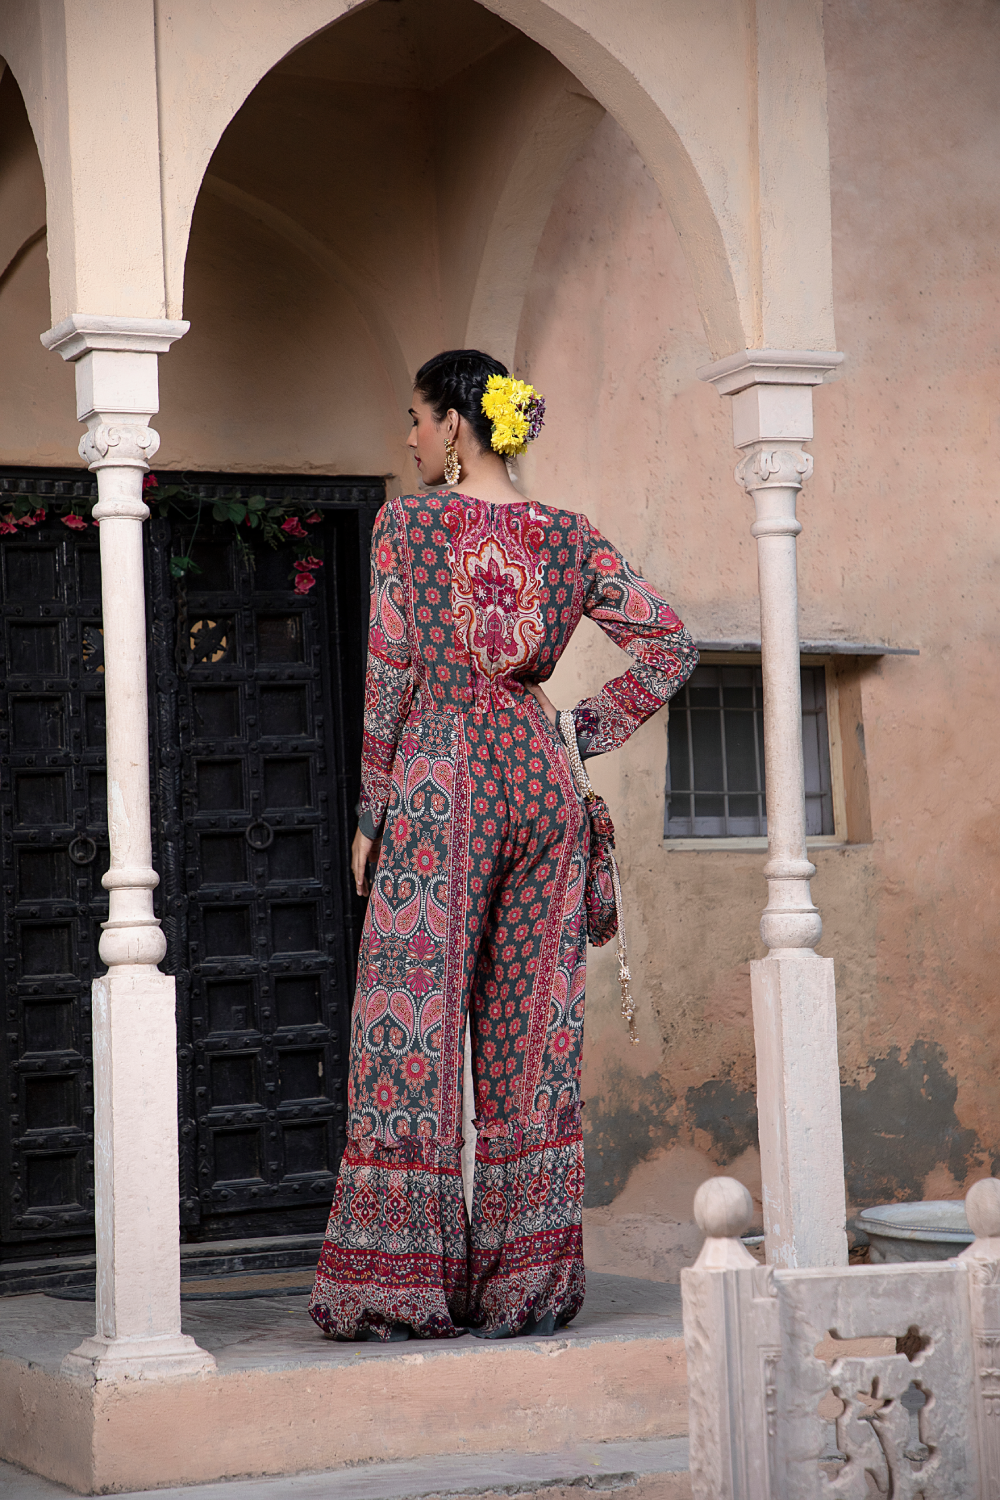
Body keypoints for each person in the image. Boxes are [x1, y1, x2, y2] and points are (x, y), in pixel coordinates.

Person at [309, 350, 696, 1341]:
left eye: (414, 418)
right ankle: (528, 1286)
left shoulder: (408, 524)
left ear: (454, 425)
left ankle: (402, 1286)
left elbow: (390, 672)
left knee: (413, 1031)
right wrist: (578, 732)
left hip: (446, 781)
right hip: (541, 777)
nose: (406, 438)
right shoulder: (570, 536)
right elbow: (670, 643)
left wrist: (369, 813)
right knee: (534, 1036)